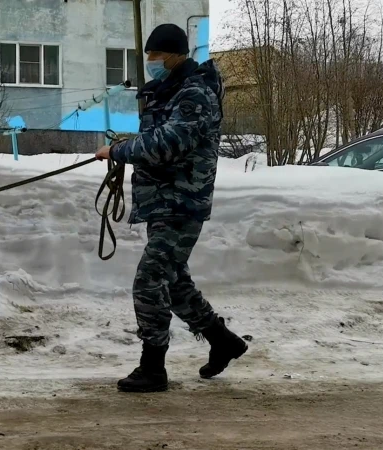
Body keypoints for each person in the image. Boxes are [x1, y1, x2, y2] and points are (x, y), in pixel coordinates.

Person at [95, 23, 247, 393]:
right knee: (174, 282)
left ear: (176, 54)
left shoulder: (194, 93)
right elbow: (159, 136)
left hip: (183, 202)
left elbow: (169, 142)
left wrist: (119, 151)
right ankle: (222, 340)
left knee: (149, 281)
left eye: (155, 56)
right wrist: (131, 144)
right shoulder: (172, 89)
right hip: (165, 201)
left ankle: (153, 366)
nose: (151, 62)